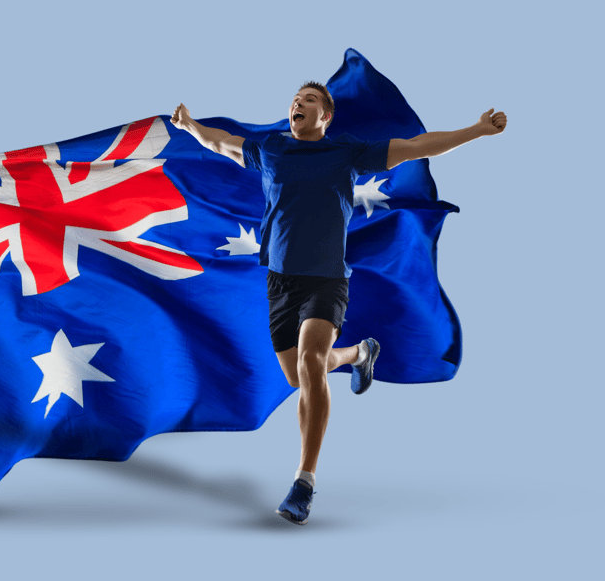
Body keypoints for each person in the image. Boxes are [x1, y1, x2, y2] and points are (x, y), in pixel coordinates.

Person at [171, 83, 506, 525]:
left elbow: (415, 146)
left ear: (325, 117)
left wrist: (476, 130)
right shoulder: (270, 149)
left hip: (326, 280)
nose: (298, 104)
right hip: (279, 283)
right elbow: (221, 143)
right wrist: (191, 125)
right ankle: (358, 354)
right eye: (295, 99)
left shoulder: (345, 152)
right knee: (299, 373)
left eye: (309, 101)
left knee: (310, 362)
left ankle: (303, 482)